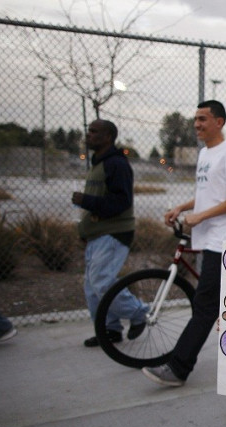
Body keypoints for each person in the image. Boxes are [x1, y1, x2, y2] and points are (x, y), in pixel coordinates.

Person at [141, 101, 226, 411]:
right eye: (195, 119)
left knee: (206, 306)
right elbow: (210, 193)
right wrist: (183, 208)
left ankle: (179, 368)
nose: (197, 124)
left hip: (224, 242)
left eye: (203, 119)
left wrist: (200, 217)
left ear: (219, 121)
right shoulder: (204, 154)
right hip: (209, 240)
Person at [73, 119, 147, 348]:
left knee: (101, 282)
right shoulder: (98, 163)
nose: (89, 135)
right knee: (92, 286)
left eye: (94, 132)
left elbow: (121, 201)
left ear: (108, 137)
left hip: (114, 234)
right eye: (89, 131)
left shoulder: (116, 164)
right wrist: (85, 230)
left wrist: (87, 201)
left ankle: (138, 313)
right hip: (97, 235)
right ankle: (109, 329)